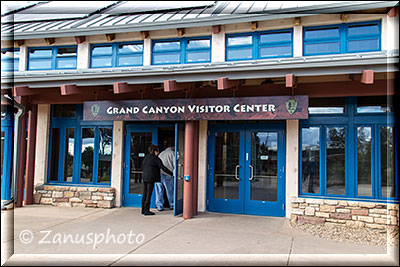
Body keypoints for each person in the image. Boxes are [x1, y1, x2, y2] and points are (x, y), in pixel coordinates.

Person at [141, 144, 173, 216]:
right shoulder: (156, 159)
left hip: (145, 177)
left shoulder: (146, 157)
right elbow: (163, 168)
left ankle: (143, 209)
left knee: (145, 194)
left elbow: (142, 166)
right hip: (151, 178)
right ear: (155, 151)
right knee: (149, 194)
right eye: (157, 151)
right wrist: (171, 173)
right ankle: (147, 210)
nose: (158, 153)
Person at [155, 146, 175, 211]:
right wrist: (173, 174)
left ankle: (159, 206)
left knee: (159, 191)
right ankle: (172, 205)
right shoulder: (172, 153)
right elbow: (175, 164)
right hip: (168, 174)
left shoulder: (161, 153)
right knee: (170, 191)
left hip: (159, 174)